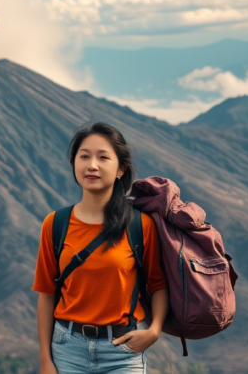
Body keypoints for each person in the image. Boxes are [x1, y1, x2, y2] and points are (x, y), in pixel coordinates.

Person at [33, 122, 169, 374]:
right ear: (74, 163)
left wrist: (154, 330)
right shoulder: (55, 224)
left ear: (121, 169)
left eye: (103, 157)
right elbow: (46, 294)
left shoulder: (140, 225)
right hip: (66, 349)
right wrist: (45, 360)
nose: (92, 165)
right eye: (84, 156)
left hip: (122, 351)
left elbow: (158, 284)